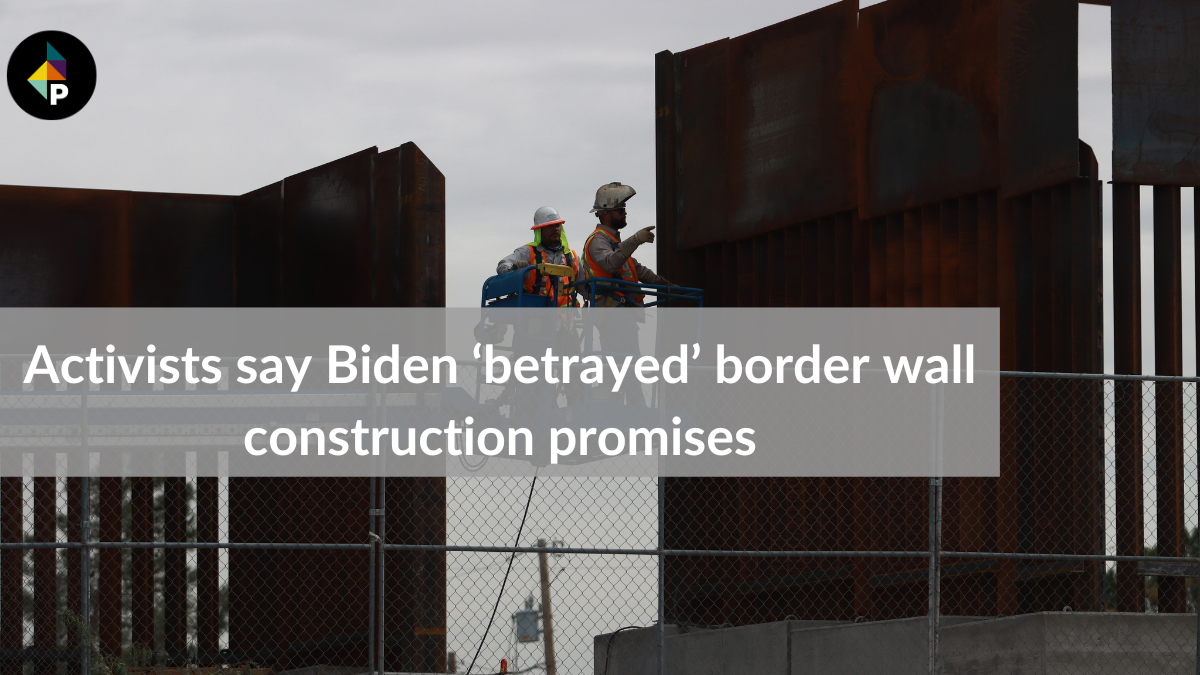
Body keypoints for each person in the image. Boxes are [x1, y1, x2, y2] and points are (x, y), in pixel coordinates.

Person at [581, 182, 673, 406]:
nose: (624, 212)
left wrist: (669, 286)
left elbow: (637, 270)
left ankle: (633, 411)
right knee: (625, 368)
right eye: (620, 209)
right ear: (605, 214)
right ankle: (633, 413)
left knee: (629, 366)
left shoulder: (614, 242)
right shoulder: (598, 241)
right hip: (612, 314)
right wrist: (636, 240)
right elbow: (611, 264)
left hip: (622, 314)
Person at [496, 206, 580, 307]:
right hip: (535, 316)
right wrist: (513, 270)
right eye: (550, 226)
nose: (555, 229)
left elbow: (584, 286)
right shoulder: (527, 252)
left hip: (566, 320)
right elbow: (502, 265)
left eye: (557, 225)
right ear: (540, 230)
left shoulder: (571, 256)